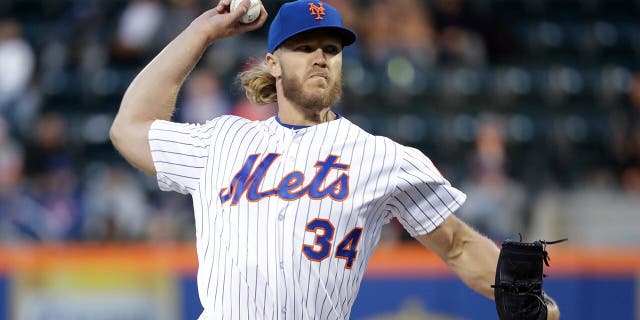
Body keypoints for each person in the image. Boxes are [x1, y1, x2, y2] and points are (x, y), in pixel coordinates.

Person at [110, 0, 560, 319]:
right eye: (304, 48)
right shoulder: (223, 140)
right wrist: (202, 31)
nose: (321, 57)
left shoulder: (381, 157)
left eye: (331, 48)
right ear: (273, 63)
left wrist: (537, 306)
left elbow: (458, 244)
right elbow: (128, 128)